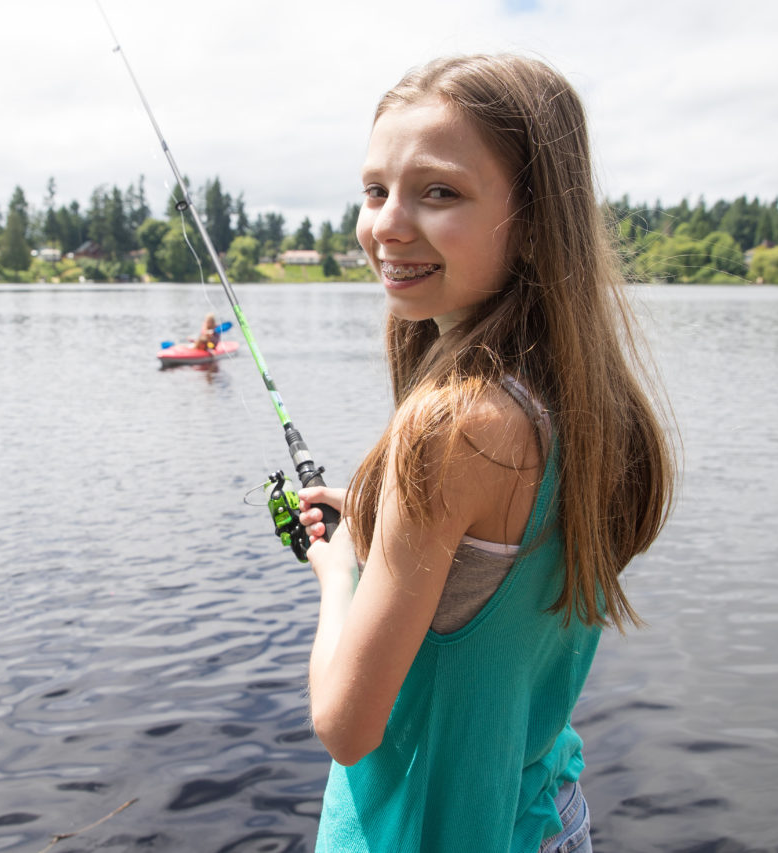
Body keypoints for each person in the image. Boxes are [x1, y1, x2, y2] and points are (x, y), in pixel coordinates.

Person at [296, 54, 675, 852]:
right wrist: (373, 534)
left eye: (439, 192)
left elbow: (346, 724)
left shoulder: (453, 429)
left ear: (534, 221)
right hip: (543, 814)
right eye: (375, 189)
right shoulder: (578, 400)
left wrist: (338, 573)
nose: (388, 224)